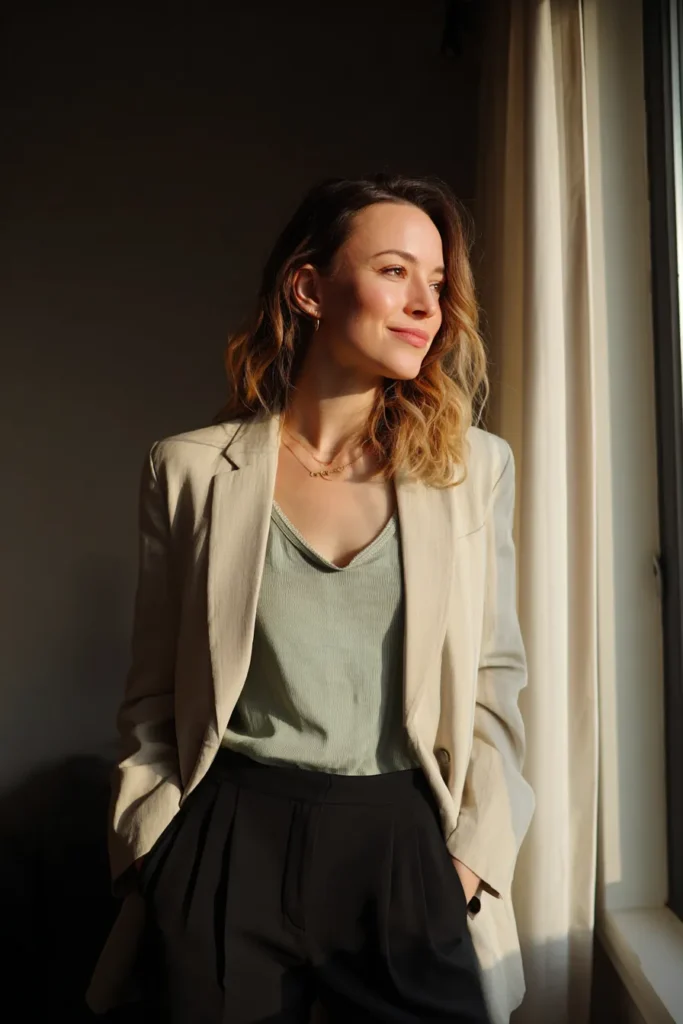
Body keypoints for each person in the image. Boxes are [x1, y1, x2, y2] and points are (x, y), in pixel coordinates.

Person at [86, 173, 535, 1024]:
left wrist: (466, 865)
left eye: (437, 283)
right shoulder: (189, 470)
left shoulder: (472, 471)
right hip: (228, 839)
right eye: (395, 271)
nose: (426, 306)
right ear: (308, 288)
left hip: (403, 844)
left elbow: (493, 680)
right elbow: (152, 692)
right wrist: (154, 849)